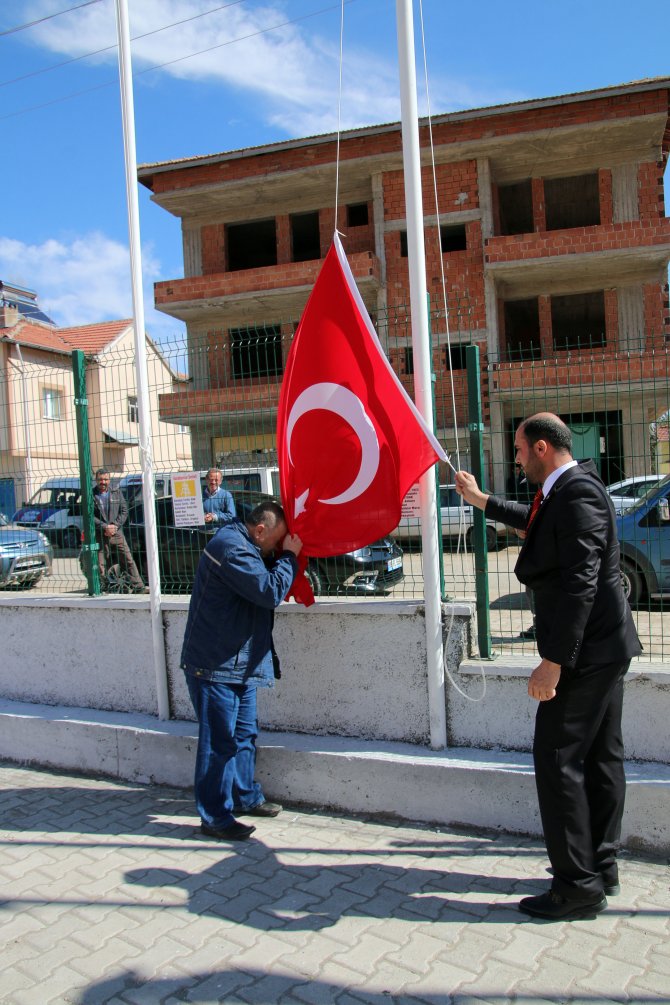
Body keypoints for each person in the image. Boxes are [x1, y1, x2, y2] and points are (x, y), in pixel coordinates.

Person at [455, 412, 641, 920]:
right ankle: (599, 867)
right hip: (606, 648)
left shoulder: (575, 493)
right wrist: (483, 501)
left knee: (557, 759)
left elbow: (582, 583)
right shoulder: (568, 488)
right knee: (602, 758)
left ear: (540, 448)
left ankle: (576, 885)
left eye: (517, 450)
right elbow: (537, 519)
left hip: (584, 655)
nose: (515, 460)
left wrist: (553, 663)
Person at [181, 500, 302, 841]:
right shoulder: (230, 547)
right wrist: (290, 558)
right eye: (276, 541)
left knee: (244, 735)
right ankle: (216, 817)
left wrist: (280, 556)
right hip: (215, 666)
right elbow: (268, 591)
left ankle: (245, 796)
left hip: (240, 664)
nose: (277, 548)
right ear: (259, 530)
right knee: (219, 743)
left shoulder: (247, 544)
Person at [92, 468, 148, 594]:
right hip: (100, 534)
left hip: (116, 533)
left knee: (128, 559)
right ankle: (102, 588)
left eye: (105, 479)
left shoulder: (116, 492)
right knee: (100, 563)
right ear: (96, 480)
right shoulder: (91, 495)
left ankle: (139, 586)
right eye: (100, 479)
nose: (103, 482)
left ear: (109, 480)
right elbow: (89, 515)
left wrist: (114, 526)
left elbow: (124, 511)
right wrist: (104, 526)